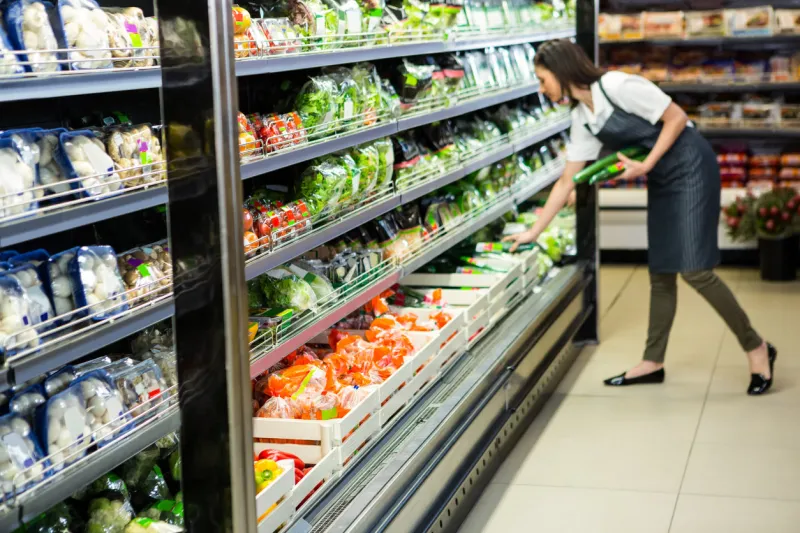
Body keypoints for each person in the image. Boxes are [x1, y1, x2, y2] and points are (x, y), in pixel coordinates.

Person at [503, 39, 776, 395]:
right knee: (661, 270)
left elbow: (676, 117)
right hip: (661, 176)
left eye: (542, 79)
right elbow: (567, 179)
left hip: (691, 166)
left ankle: (757, 347)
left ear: (561, 71)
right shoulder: (582, 117)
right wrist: (533, 231)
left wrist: (646, 164)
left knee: (695, 270)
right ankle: (652, 361)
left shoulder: (617, 86)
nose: (541, 88)